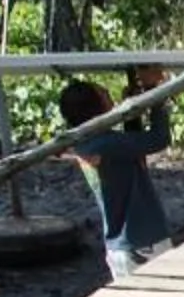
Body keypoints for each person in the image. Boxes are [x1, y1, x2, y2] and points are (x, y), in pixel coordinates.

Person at [59, 66, 172, 279]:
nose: (110, 96)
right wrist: (155, 91)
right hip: (142, 242)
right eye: (105, 95)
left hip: (124, 244)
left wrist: (133, 110)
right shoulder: (107, 144)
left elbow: (131, 148)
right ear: (95, 109)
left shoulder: (87, 142)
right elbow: (159, 138)